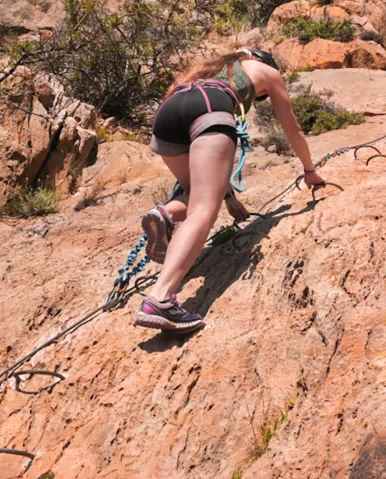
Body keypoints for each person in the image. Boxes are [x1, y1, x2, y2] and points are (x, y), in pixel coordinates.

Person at [134, 48, 325, 333]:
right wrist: (310, 171)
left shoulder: (205, 68)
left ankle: (165, 212)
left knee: (195, 193)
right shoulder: (267, 72)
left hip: (168, 115)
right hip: (210, 107)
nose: (257, 99)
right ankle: (160, 299)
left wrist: (229, 199)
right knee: (202, 210)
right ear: (261, 62)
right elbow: (292, 129)